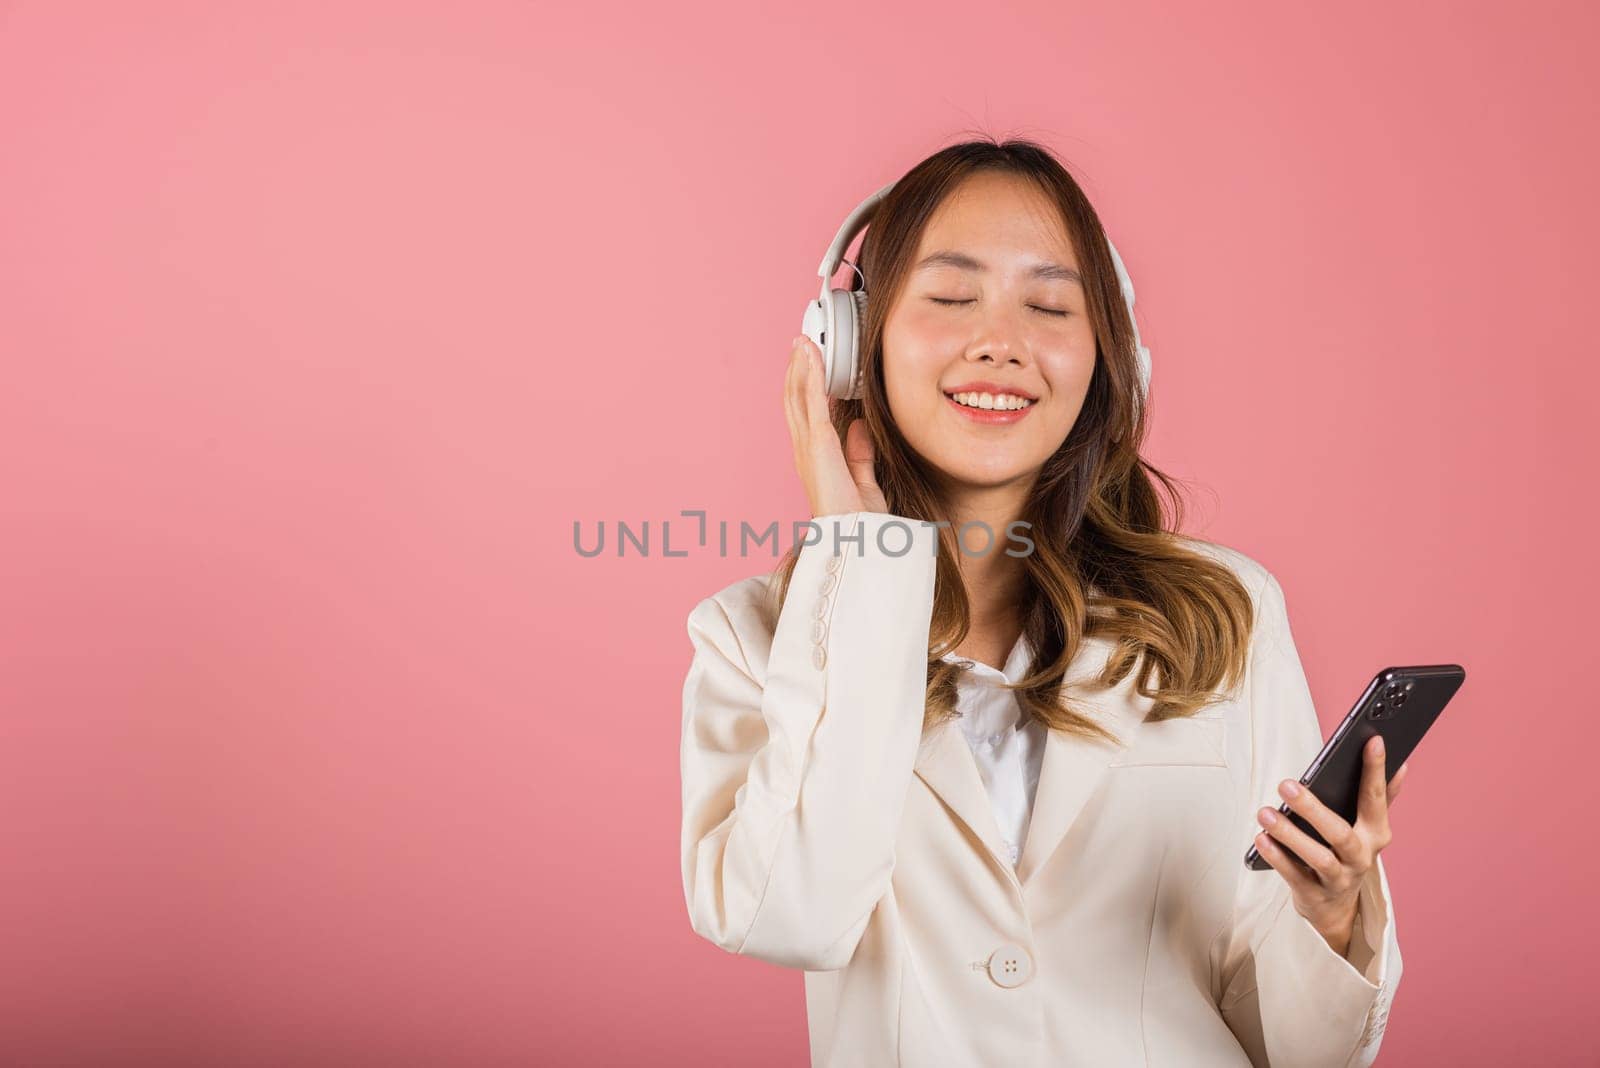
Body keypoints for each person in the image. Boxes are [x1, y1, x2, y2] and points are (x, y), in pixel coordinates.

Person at [678, 138, 1405, 1066]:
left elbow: (1300, 1050)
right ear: (848, 345)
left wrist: (1333, 915)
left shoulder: (1226, 616)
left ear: (1112, 360)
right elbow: (791, 915)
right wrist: (856, 563)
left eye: (1050, 306)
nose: (1002, 342)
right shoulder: (752, 637)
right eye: (949, 297)